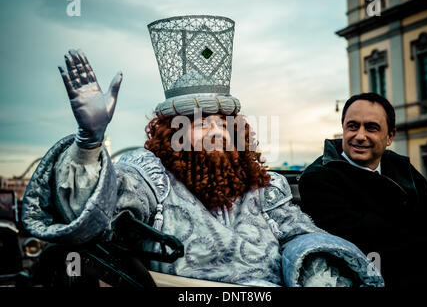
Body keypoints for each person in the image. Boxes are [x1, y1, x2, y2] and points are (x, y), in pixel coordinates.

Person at [21, 16, 383, 287]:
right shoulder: (149, 176)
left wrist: (315, 262)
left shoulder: (264, 186)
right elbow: (91, 220)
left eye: (223, 119)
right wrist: (89, 142)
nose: (214, 129)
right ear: (171, 131)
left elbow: (299, 233)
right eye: (197, 120)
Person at [298, 92, 427, 287]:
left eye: (371, 128)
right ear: (343, 128)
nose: (360, 136)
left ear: (390, 136)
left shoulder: (397, 164)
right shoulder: (319, 177)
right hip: (376, 277)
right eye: (352, 126)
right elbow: (369, 240)